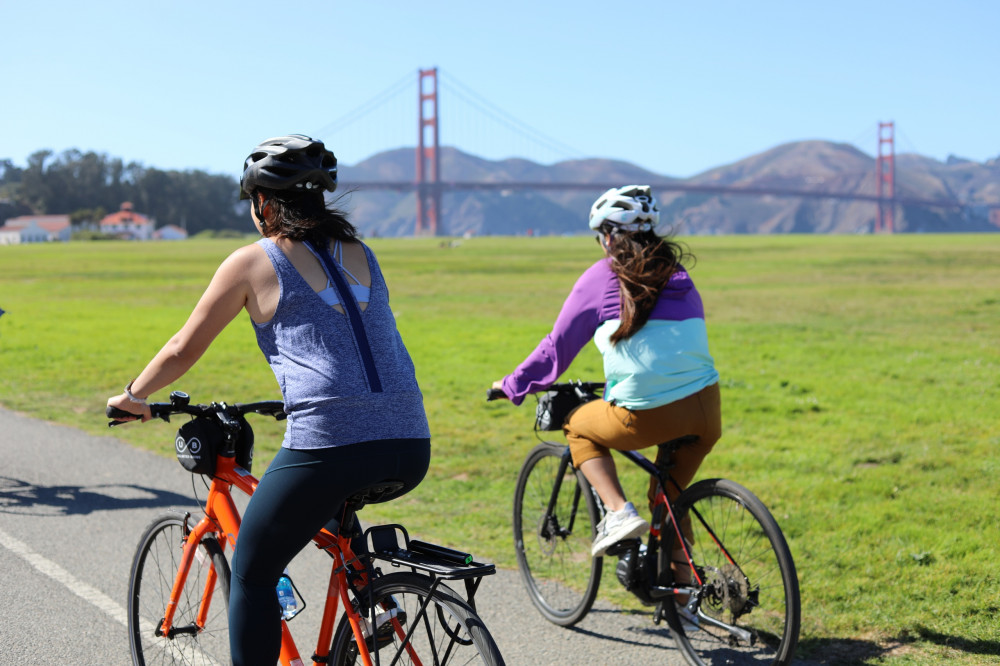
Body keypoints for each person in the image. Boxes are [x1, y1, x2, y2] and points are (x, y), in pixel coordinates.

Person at [107, 135, 431, 665]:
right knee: (329, 524)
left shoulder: (253, 261)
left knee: (255, 574)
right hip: (411, 443)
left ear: (262, 204)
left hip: (331, 444)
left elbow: (183, 347)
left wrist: (134, 396)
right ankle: (368, 611)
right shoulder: (361, 252)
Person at [492, 185, 721, 560]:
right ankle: (683, 595)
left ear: (610, 235)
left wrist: (512, 384)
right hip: (706, 407)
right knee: (669, 499)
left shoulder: (602, 277)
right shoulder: (679, 275)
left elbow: (556, 348)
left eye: (601, 235)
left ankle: (617, 513)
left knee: (577, 424)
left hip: (646, 410)